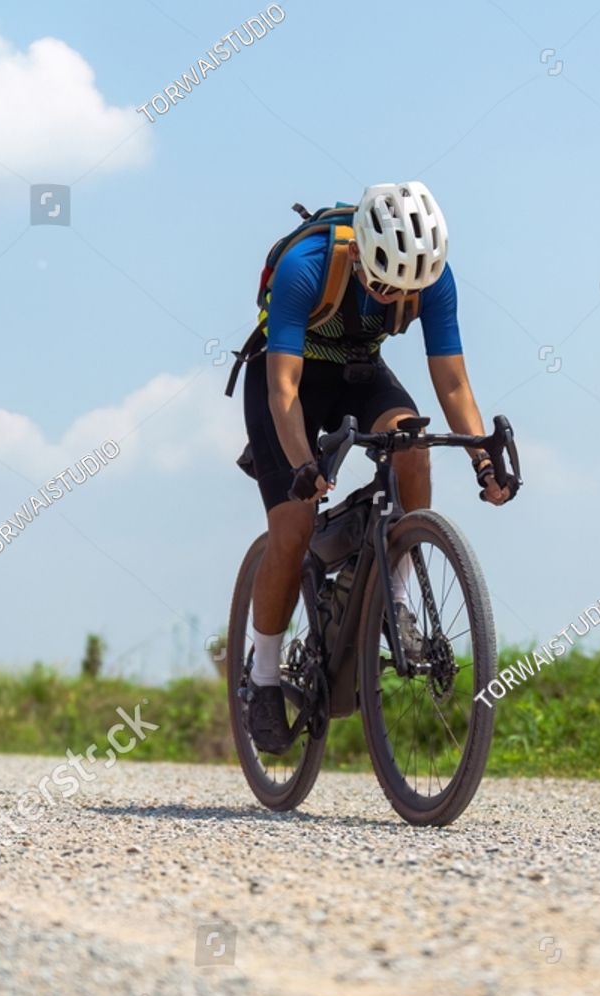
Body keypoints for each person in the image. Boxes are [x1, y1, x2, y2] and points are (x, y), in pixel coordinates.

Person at [241, 181, 511, 751]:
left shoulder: (434, 278)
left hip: (359, 373)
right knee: (292, 527)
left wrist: (483, 461)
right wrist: (301, 464)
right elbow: (284, 391)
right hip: (286, 381)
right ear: (360, 253)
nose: (393, 300)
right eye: (384, 284)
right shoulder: (305, 267)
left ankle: (398, 599)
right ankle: (262, 677)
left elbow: (453, 381)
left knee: (410, 445)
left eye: (406, 290)